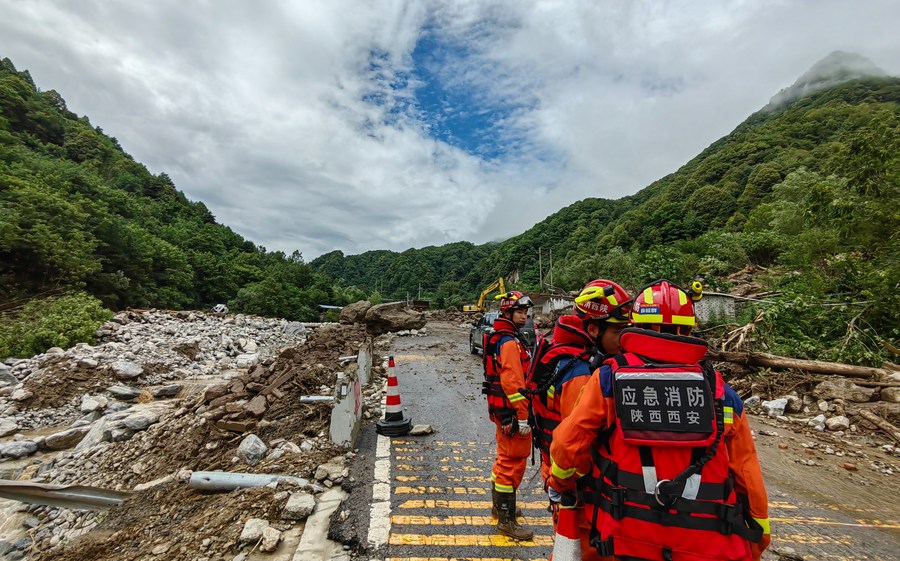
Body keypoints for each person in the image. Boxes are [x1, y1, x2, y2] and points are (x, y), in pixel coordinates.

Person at [548, 279, 770, 561]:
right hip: (707, 548)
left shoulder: (608, 380)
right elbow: (749, 480)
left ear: (636, 325)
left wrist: (561, 484)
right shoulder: (721, 393)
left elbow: (567, 446)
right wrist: (755, 541)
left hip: (621, 541)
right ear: (690, 328)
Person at [529, 280, 633, 560]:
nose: (625, 338)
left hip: (560, 474)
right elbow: (574, 445)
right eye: (618, 331)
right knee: (580, 550)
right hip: (577, 486)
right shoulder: (581, 373)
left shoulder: (569, 356)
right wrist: (565, 485)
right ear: (593, 329)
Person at [482, 290, 535, 540]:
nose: (524, 316)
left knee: (503, 459)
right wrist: (523, 416)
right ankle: (506, 520)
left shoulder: (500, 336)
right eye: (520, 312)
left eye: (525, 312)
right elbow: (514, 383)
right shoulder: (509, 342)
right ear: (508, 313)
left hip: (502, 412)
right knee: (512, 462)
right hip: (513, 414)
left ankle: (500, 507)